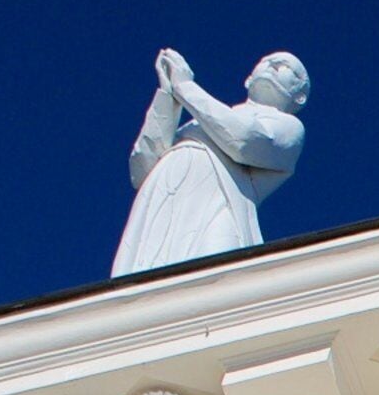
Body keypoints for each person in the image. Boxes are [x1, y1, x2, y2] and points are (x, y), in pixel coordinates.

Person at [114, 51, 308, 276]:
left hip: (217, 203)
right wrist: (168, 96)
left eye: (285, 66)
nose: (271, 65)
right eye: (265, 62)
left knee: (212, 272)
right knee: (147, 271)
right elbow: (142, 168)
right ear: (248, 79)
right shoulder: (199, 122)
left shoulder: (289, 127)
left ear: (300, 96)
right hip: (165, 200)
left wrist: (185, 88)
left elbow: (243, 139)